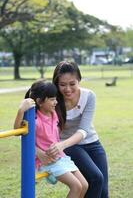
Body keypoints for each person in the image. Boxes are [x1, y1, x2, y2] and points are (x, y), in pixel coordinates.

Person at [14, 80, 88, 198]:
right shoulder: (34, 119)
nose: (56, 102)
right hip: (47, 161)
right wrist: (21, 110)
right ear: (40, 101)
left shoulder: (53, 113)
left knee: (84, 185)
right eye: (52, 99)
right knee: (76, 186)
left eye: (55, 98)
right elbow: (18, 131)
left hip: (60, 157)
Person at [47, 61, 109, 198]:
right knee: (96, 178)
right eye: (62, 85)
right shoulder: (53, 101)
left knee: (103, 191)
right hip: (69, 145)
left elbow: (83, 131)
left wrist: (61, 145)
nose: (68, 89)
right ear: (56, 84)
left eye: (72, 84)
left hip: (91, 142)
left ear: (79, 80)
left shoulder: (89, 96)